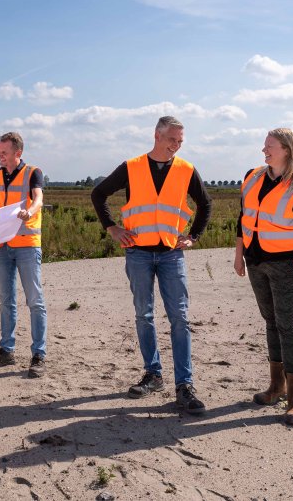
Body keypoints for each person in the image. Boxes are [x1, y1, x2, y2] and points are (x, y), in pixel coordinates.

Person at [91, 116, 212, 413]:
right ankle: (153, 374)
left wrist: (193, 236)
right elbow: (99, 194)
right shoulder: (131, 167)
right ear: (156, 135)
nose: (177, 145)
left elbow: (206, 204)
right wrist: (112, 228)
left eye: (181, 141)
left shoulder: (186, 169)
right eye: (172, 139)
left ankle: (184, 386)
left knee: (180, 318)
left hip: (172, 253)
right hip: (139, 253)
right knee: (144, 315)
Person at [233, 128, 293, 427]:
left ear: (286, 149)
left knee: (289, 327)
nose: (264, 150)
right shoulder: (252, 176)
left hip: (287, 266)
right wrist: (239, 255)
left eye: (269, 146)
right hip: (256, 261)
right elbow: (243, 218)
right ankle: (275, 388)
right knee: (271, 323)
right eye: (264, 145)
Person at [0, 131, 48, 378]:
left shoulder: (33, 172)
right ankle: (7, 350)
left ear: (18, 153)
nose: (0, 157)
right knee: (6, 299)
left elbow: (38, 199)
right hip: (2, 248)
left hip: (27, 245)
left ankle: (39, 354)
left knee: (34, 300)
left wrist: (29, 211)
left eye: (4, 153)